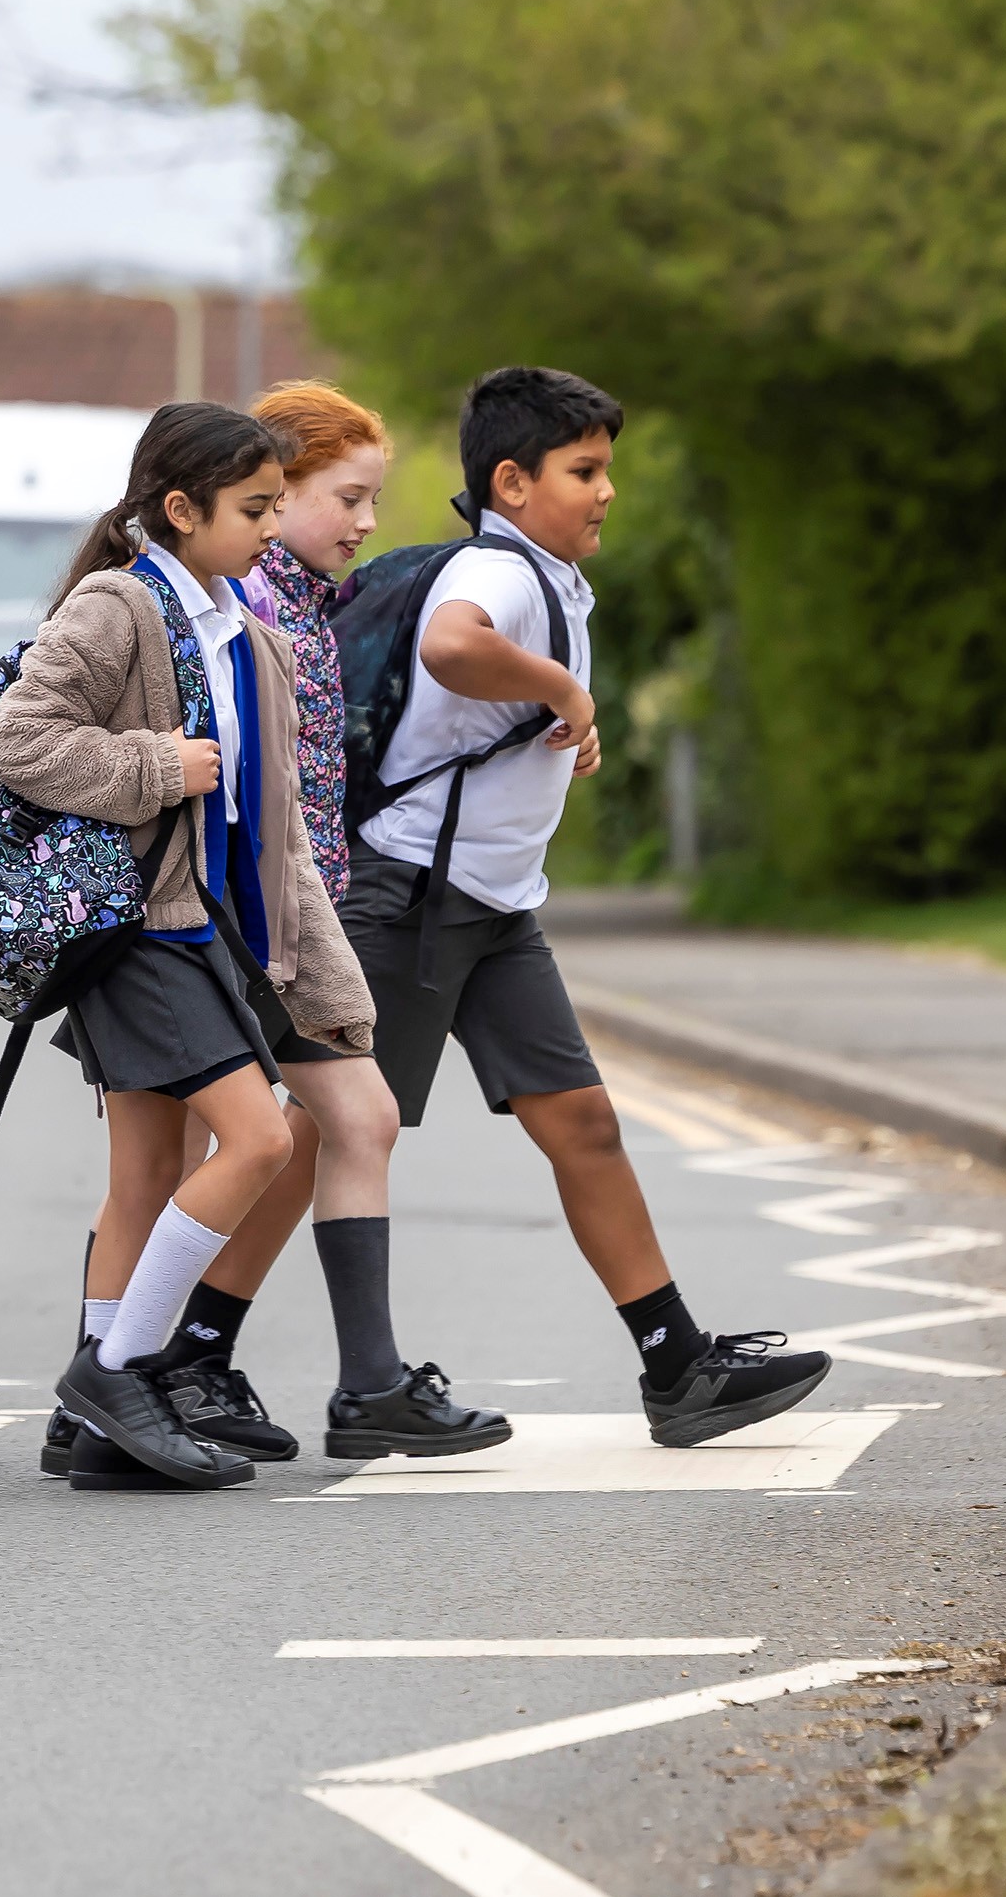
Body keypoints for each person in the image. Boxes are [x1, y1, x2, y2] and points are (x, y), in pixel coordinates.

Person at [0, 401, 502, 1490]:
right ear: (181, 510)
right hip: (137, 934)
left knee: (147, 1173)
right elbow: (22, 742)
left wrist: (327, 984)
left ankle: (99, 1422)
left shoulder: (249, 635)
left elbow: (284, 840)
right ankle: (117, 1373)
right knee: (261, 1140)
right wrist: (154, 767)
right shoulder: (118, 603)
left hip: (221, 936)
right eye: (255, 509)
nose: (273, 529)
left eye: (278, 507)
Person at [341, 366, 827, 1446]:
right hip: (414, 896)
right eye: (584, 470)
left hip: (493, 906)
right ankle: (173, 1354)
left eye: (608, 468)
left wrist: (563, 721)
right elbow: (451, 645)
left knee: (585, 1124)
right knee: (319, 1135)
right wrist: (564, 690)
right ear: (512, 483)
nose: (607, 490)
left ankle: (677, 1364)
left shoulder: (552, 577)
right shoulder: (500, 570)